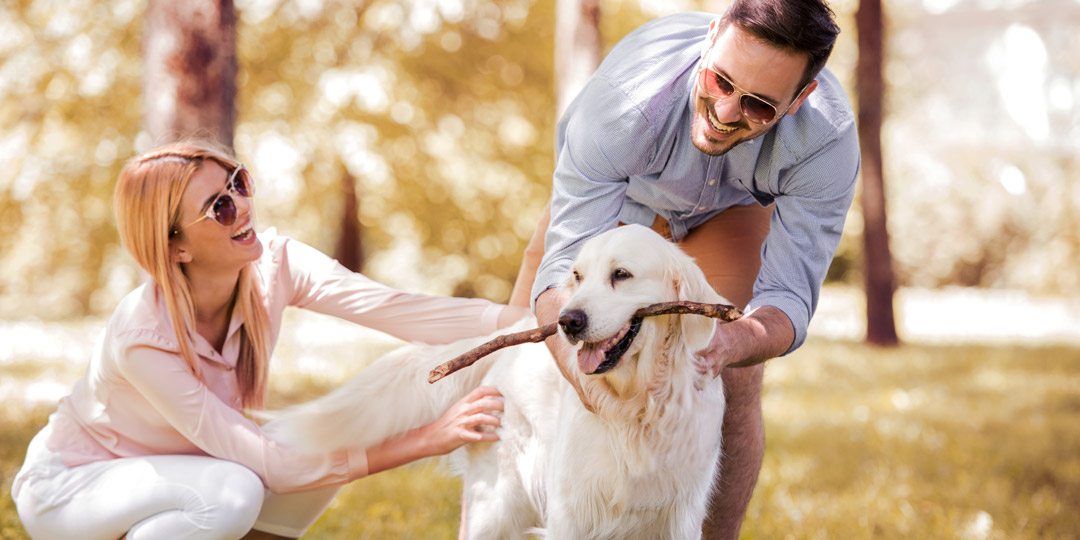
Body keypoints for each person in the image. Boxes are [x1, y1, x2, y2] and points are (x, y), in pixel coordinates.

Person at [12, 142, 528, 540]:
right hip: (75, 487)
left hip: (180, 472)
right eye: (218, 207)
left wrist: (524, 319)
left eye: (237, 182)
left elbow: (398, 310)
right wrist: (426, 439)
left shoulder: (275, 264)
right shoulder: (142, 335)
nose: (240, 203)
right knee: (235, 491)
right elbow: (268, 466)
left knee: (313, 440)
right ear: (176, 248)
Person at [508, 1, 859, 538]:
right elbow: (561, 269)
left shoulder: (827, 142)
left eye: (759, 106)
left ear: (800, 100)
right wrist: (588, 375)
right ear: (713, 33)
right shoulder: (626, 102)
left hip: (733, 214)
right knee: (517, 363)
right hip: (617, 209)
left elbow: (787, 299)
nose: (726, 110)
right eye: (721, 80)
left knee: (734, 382)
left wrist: (732, 343)